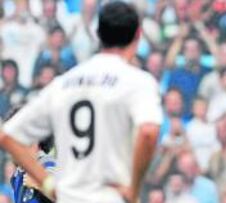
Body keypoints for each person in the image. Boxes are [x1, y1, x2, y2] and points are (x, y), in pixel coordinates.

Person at [0, 2, 162, 203]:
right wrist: (133, 188)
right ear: (138, 35)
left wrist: (49, 184)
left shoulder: (64, 83)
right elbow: (148, 132)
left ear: (98, 33)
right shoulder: (138, 80)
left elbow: (7, 135)